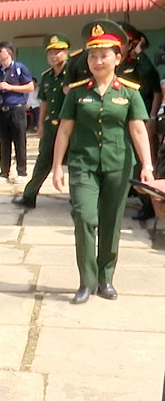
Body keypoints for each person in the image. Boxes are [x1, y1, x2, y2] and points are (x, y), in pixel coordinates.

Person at [52, 20, 155, 305]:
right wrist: (56, 167)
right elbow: (64, 130)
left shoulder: (129, 92)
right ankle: (85, 281)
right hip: (83, 165)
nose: (98, 61)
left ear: (117, 58)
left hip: (118, 165)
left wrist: (147, 165)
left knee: (111, 222)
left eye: (104, 55)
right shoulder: (76, 92)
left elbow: (137, 130)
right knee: (84, 217)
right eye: (93, 55)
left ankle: (105, 278)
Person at [13, 34, 71, 209]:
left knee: (76, 165)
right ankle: (29, 196)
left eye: (58, 52)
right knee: (42, 162)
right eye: (50, 53)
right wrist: (40, 125)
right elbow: (44, 103)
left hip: (70, 127)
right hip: (51, 127)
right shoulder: (47, 76)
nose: (54, 56)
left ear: (66, 52)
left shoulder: (72, 75)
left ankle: (77, 199)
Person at [118, 23, 162, 220]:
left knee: (143, 161)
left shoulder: (140, 62)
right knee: (126, 158)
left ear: (133, 43)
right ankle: (131, 190)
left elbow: (155, 93)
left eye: (123, 42)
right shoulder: (120, 63)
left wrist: (151, 118)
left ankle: (149, 206)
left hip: (141, 118)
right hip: (122, 119)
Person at [0, 41, 34, 184]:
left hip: (16, 109)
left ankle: (22, 171)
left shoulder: (19, 68)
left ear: (9, 53)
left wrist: (10, 87)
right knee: (3, 142)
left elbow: (30, 86)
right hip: (0, 110)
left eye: (0, 51)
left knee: (19, 140)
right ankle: (4, 173)